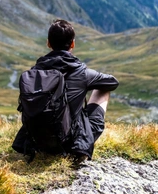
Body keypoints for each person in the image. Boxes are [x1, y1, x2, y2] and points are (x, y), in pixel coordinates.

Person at [12, 19, 119, 160]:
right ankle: (79, 148)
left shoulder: (35, 72)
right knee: (103, 89)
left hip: (36, 141)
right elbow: (113, 82)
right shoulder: (82, 73)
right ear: (73, 43)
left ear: (48, 43)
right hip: (70, 144)